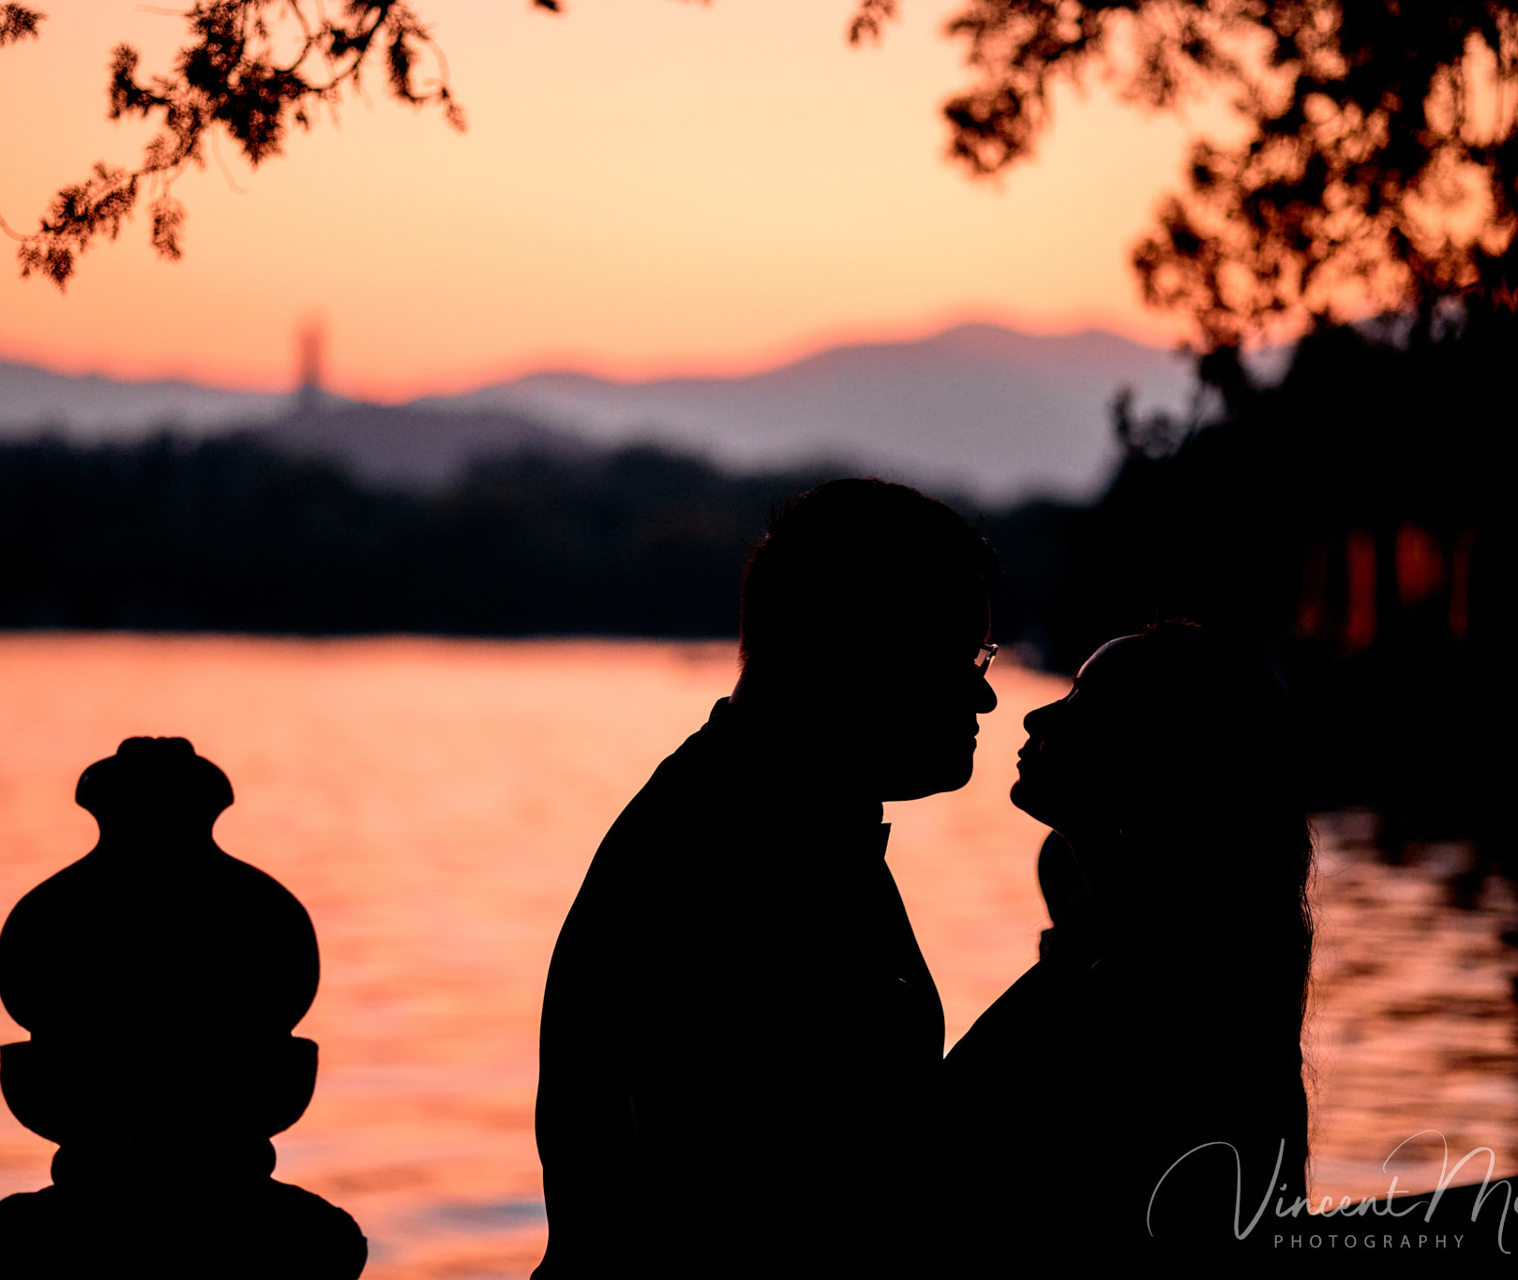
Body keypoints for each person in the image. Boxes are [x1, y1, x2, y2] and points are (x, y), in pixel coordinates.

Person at [532, 479, 999, 1279]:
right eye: (961, 656)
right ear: (863, 647)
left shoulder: (769, 821)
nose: (984, 693)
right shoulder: (736, 866)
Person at [941, 622, 1313, 1267]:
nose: (1034, 714)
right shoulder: (1175, 956)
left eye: (1085, 702)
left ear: (1161, 758)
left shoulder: (1145, 1003)